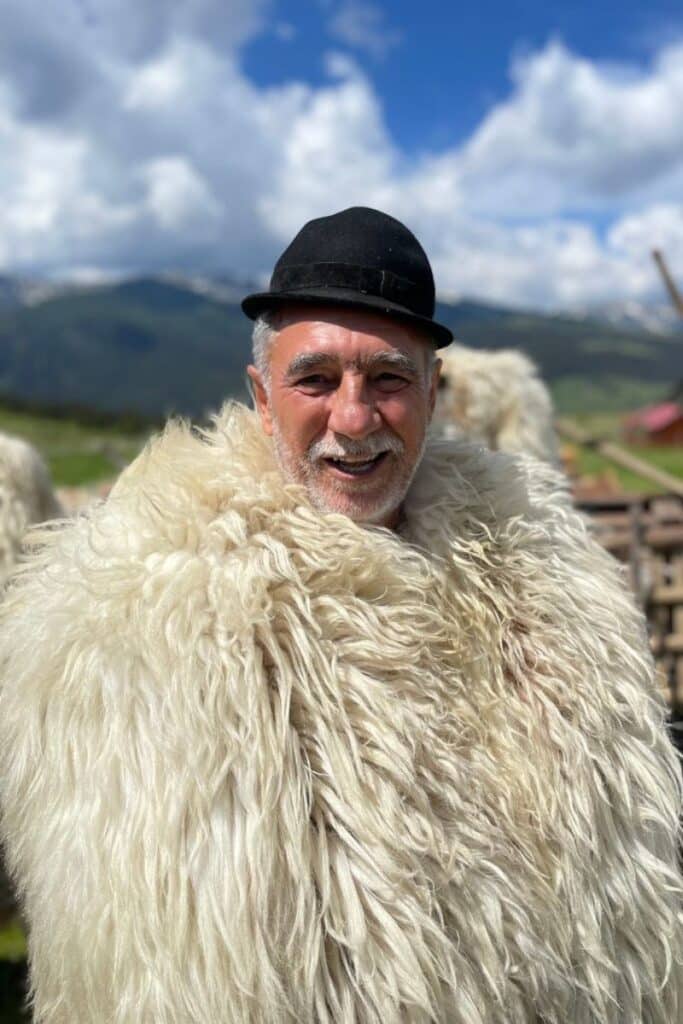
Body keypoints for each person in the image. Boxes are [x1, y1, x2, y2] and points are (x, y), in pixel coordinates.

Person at [0, 207, 681, 1023]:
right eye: (315, 380)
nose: (353, 421)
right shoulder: (139, 618)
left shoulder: (552, 584)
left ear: (435, 393)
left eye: (388, 380)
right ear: (261, 395)